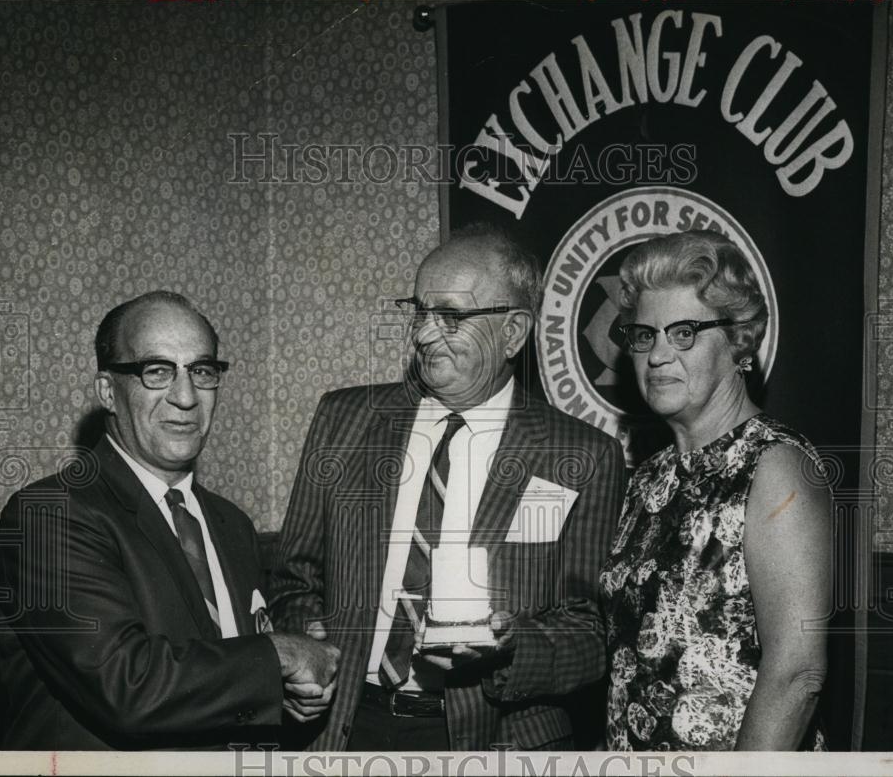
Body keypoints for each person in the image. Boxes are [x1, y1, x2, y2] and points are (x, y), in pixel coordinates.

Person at [269, 226, 624, 751]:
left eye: (451, 317)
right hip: (345, 726)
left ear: (513, 333)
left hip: (502, 739)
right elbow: (292, 579)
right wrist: (309, 643)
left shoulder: (579, 455)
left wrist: (511, 646)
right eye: (420, 312)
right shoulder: (344, 421)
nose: (422, 334)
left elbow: (591, 632)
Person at [0, 290, 340, 750]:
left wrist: (290, 695)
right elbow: (125, 687)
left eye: (201, 371)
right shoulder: (50, 514)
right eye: (156, 371)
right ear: (107, 392)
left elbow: (225, 681)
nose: (185, 397)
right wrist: (278, 655)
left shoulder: (230, 523)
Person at [599, 231, 832, 751]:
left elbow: (797, 676)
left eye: (684, 332)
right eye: (644, 335)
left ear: (739, 341)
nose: (657, 355)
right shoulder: (648, 478)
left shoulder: (776, 466)